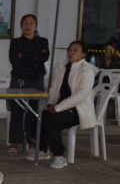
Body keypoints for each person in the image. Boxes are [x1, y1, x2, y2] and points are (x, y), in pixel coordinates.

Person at [26, 41, 98, 169]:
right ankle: (43, 150)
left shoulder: (87, 70)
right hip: (60, 107)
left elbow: (81, 95)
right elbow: (54, 90)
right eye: (70, 50)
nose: (71, 53)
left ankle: (59, 156)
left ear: (84, 54)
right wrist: (50, 103)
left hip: (78, 110)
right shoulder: (63, 67)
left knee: (52, 121)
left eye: (75, 50)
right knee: (39, 117)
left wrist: (57, 108)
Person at [7, 14, 50, 156]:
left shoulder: (42, 41)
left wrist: (23, 56)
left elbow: (44, 58)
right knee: (16, 111)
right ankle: (14, 143)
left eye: (32, 22)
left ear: (36, 26)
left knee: (34, 112)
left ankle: (32, 143)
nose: (28, 25)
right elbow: (14, 61)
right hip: (19, 79)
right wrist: (34, 57)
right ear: (21, 25)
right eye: (25, 22)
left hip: (36, 79)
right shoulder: (15, 42)